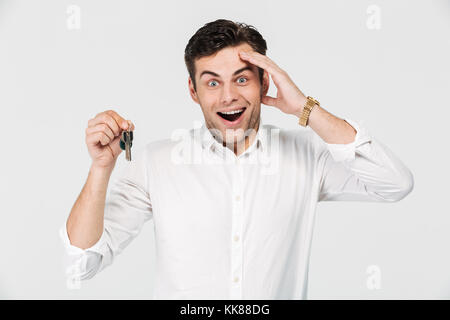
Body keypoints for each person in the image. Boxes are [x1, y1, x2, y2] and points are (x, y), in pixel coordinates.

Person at [59, 19, 414, 299]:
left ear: (264, 83)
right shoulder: (156, 163)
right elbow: (81, 264)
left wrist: (305, 108)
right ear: (193, 91)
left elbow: (394, 184)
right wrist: (101, 167)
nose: (228, 97)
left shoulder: (307, 154)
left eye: (241, 79)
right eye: (212, 83)